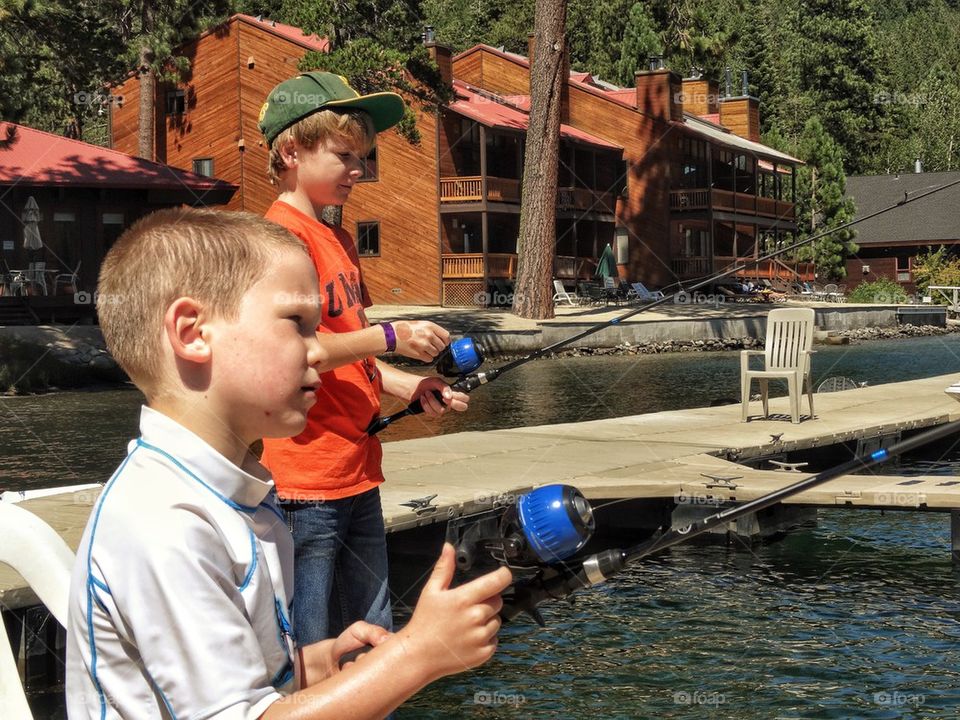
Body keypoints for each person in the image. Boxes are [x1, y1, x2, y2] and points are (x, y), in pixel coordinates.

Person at [65, 208, 511, 719]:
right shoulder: (163, 523)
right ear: (192, 333)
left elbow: (241, 679)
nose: (317, 352)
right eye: (297, 325)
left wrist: (316, 666)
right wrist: (417, 657)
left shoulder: (230, 495)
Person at [257, 71, 470, 646]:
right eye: (345, 155)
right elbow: (298, 353)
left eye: (364, 158)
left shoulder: (338, 238)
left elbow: (347, 346)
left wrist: (406, 386)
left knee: (375, 637)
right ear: (291, 151)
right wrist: (393, 336)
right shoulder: (280, 242)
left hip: (357, 471)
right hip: (304, 483)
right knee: (314, 646)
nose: (359, 170)